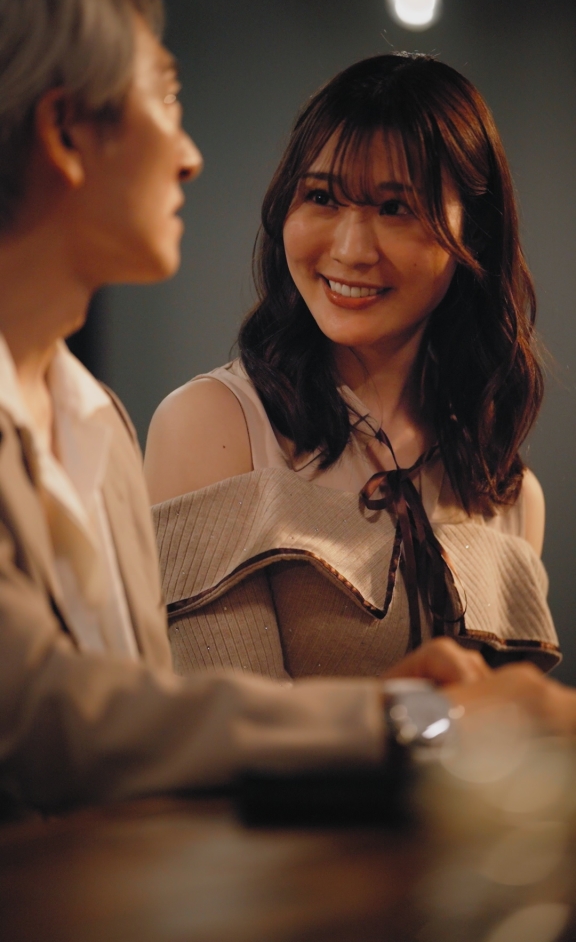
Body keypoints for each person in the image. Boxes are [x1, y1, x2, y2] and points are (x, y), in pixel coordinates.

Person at [0, 0, 501, 816]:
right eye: (165, 97)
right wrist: (425, 720)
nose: (192, 156)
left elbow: (142, 727)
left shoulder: (93, 419)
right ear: (66, 133)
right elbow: (52, 724)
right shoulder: (201, 420)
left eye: (397, 208)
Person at [145, 54, 560, 680]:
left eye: (396, 208)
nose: (350, 249)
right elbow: (230, 721)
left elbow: (504, 731)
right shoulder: (213, 425)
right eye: (322, 197)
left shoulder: (506, 490)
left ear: (473, 234)